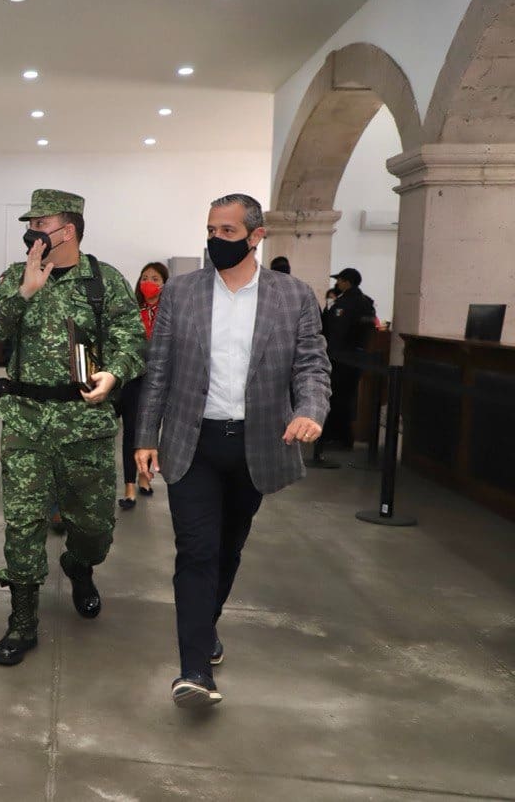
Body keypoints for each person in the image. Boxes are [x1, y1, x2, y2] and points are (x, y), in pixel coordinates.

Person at [135, 193, 330, 708]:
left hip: (257, 444)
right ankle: (194, 670)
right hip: (192, 441)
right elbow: (158, 370)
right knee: (196, 551)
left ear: (256, 236)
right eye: (211, 230)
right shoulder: (182, 293)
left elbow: (312, 365)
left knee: (228, 548)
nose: (216, 240)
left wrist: (311, 409)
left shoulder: (293, 296)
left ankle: (207, 625)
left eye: (227, 231)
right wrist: (145, 437)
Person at [0, 189, 146, 667]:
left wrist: (114, 373)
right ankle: (22, 620)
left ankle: (79, 564)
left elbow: (132, 340)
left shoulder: (104, 281)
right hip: (26, 420)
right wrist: (23, 292)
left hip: (86, 424)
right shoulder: (16, 275)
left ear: (67, 230)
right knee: (23, 523)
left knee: (94, 527)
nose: (31, 233)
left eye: (39, 224)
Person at [118, 262, 169, 510]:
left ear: (165, 284)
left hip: (157, 380)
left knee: (149, 429)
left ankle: (143, 475)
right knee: (131, 431)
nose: (149, 282)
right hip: (133, 379)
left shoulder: (169, 313)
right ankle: (129, 485)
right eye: (145, 277)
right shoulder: (131, 311)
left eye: (155, 279)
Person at [314, 267, 376, 467]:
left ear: (347, 282)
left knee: (338, 397)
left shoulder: (347, 303)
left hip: (341, 358)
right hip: (351, 357)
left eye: (340, 280)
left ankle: (337, 437)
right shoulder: (363, 303)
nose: (337, 283)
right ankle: (340, 436)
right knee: (344, 397)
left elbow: (337, 331)